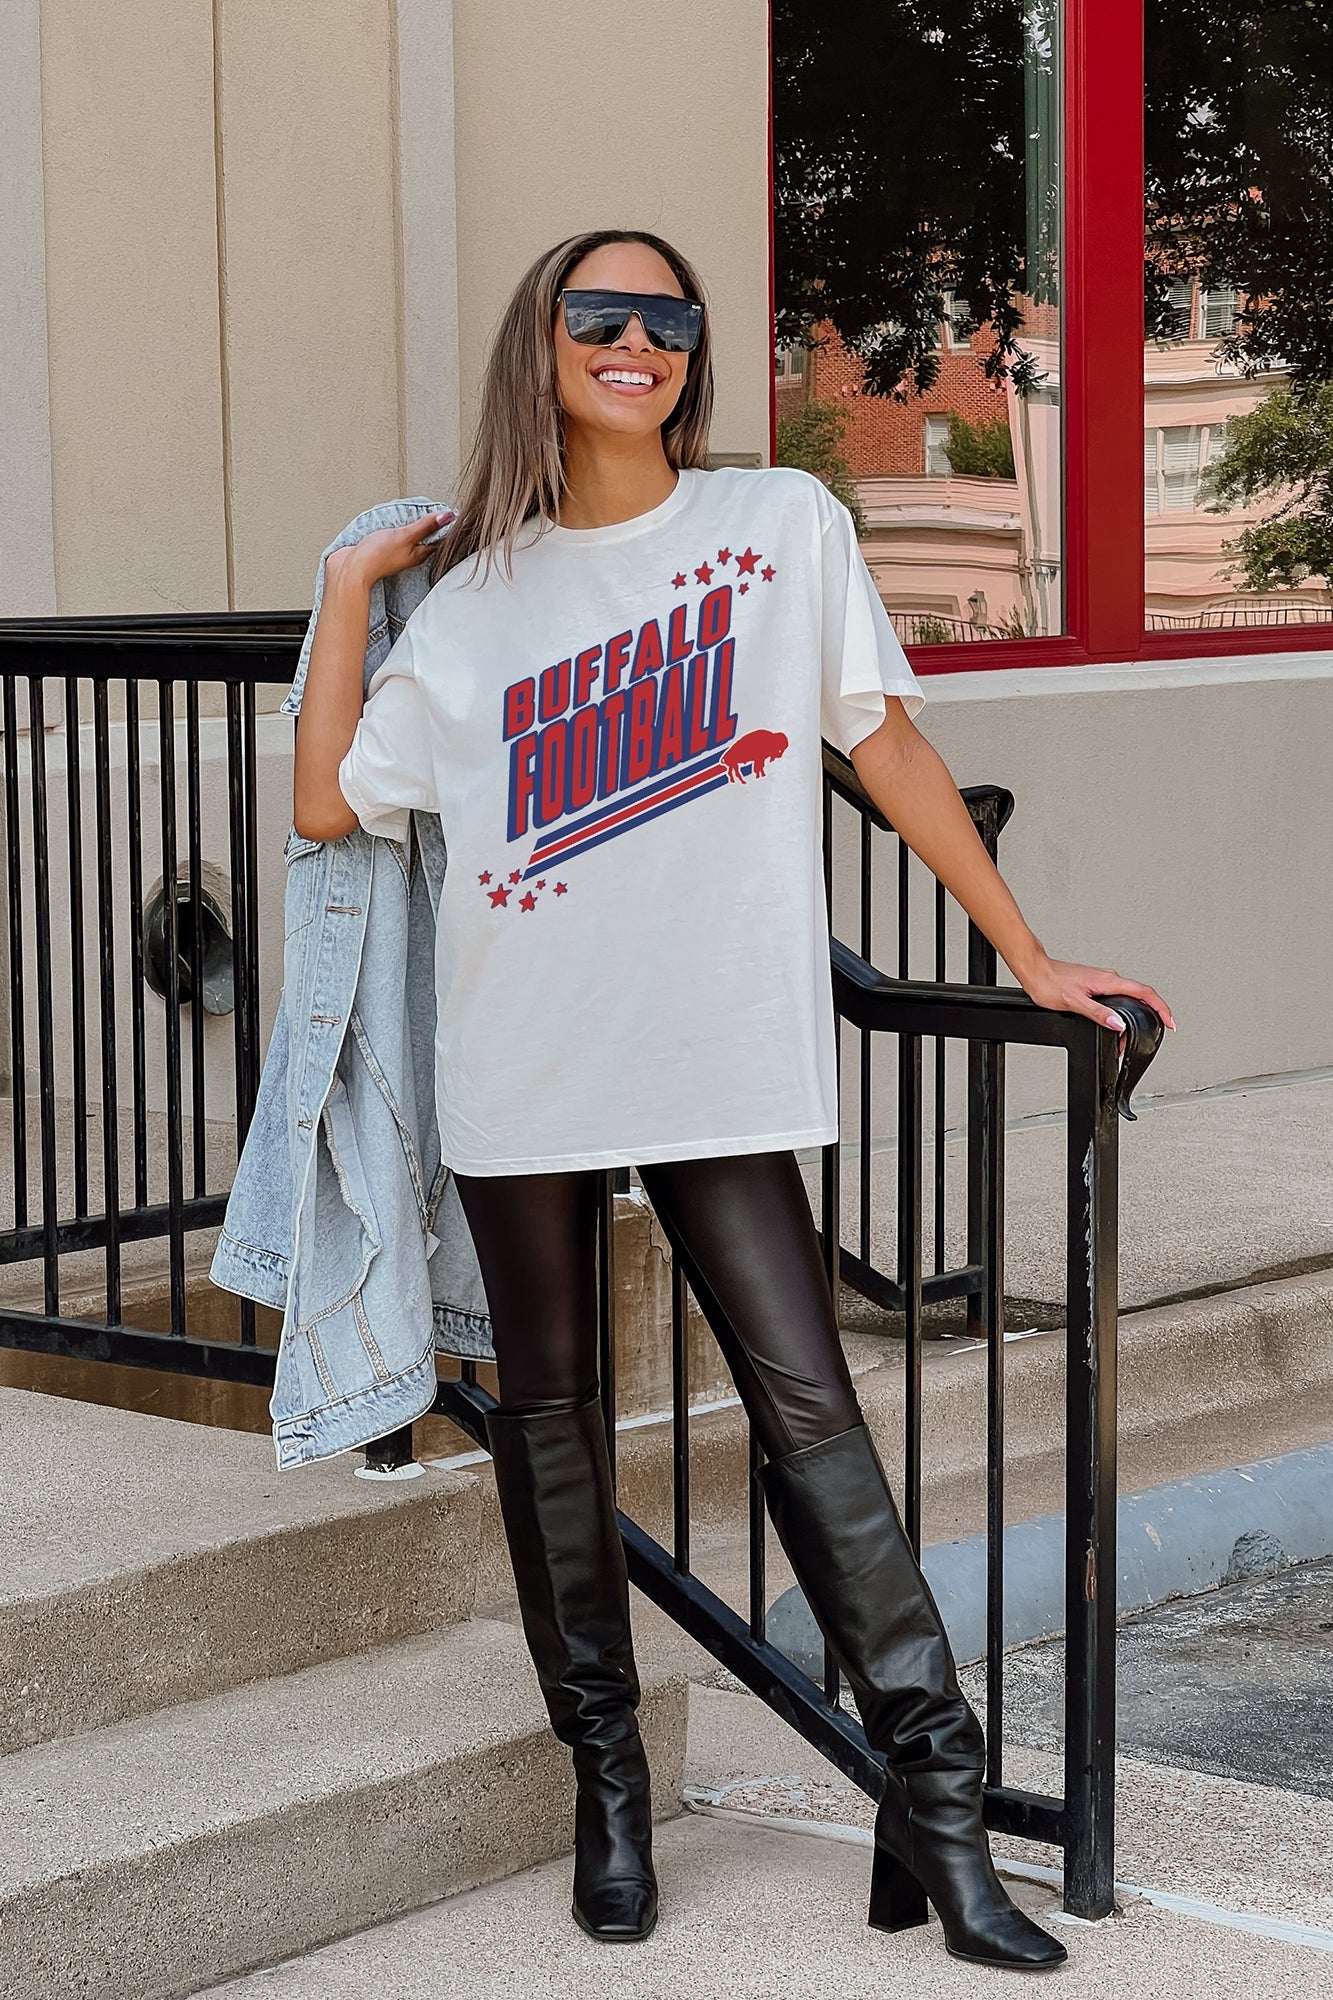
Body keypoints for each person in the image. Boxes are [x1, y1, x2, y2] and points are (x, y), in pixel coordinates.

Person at [291, 228, 1174, 1968]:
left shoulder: (777, 525)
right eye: (597, 314)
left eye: (667, 318)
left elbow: (884, 738)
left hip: (716, 1044)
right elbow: (331, 806)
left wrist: (1022, 954)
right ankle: (608, 1793)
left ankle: (935, 1809)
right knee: (550, 1424)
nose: (635, 340)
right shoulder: (473, 601)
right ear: (542, 348)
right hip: (526, 1054)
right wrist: (342, 590)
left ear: (693, 351)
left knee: (810, 1410)